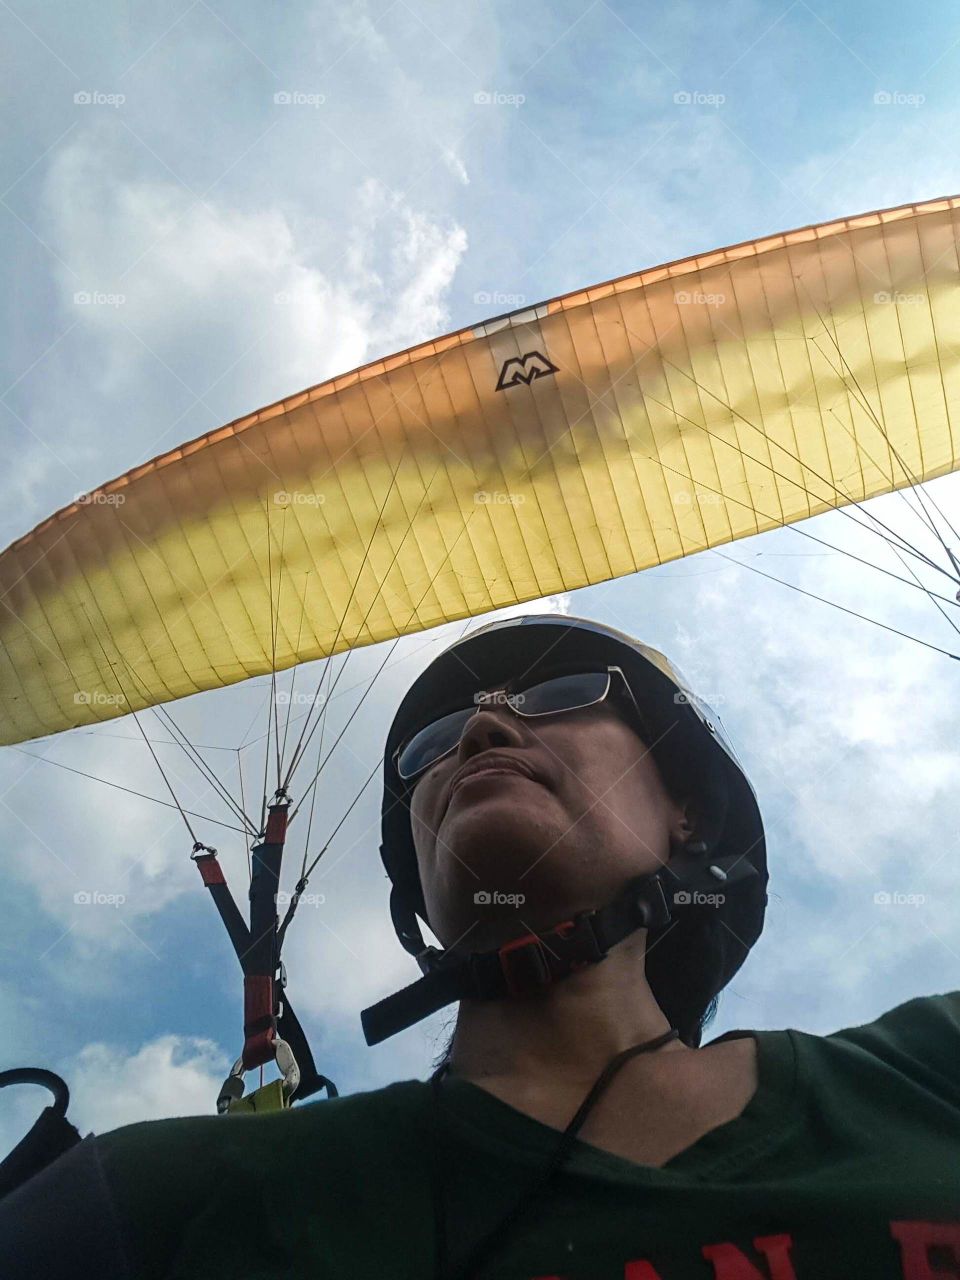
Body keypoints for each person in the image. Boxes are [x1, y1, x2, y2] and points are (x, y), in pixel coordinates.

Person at [2, 613, 958, 1279]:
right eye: (433, 745)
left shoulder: (927, 1072)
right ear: (415, 875)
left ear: (688, 814)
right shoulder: (159, 1202)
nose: (484, 730)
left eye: (564, 694)